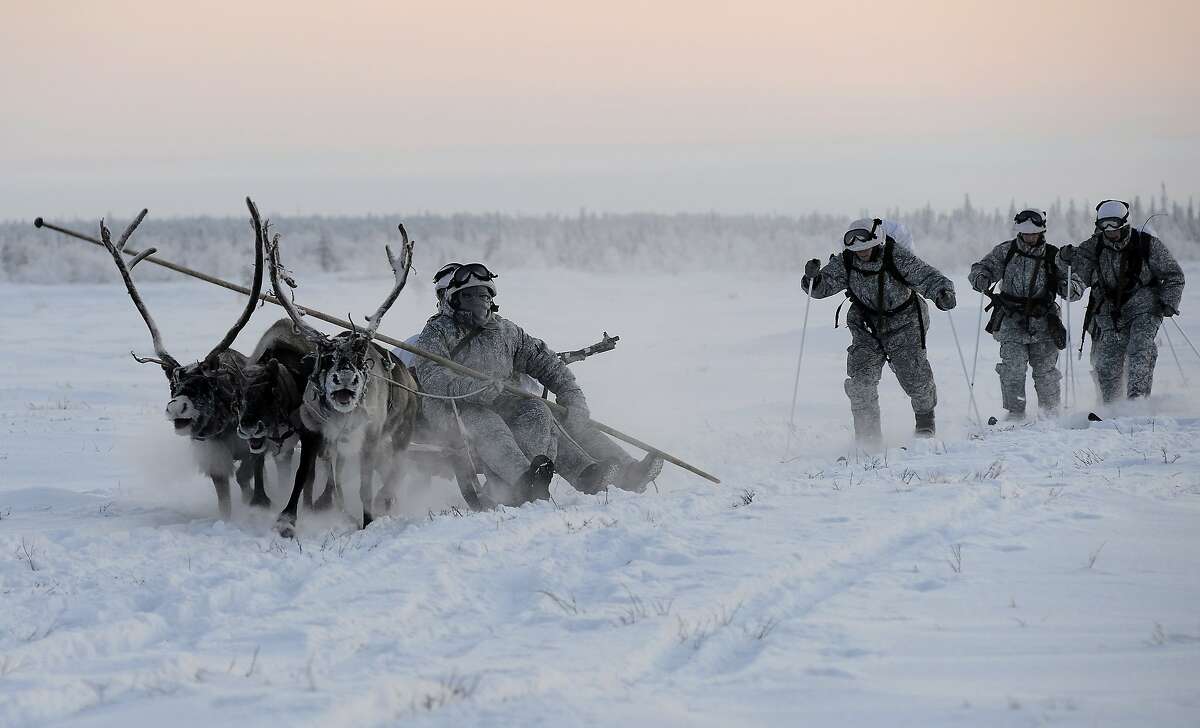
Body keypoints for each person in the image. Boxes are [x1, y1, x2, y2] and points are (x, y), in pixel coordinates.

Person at [413, 263, 660, 505]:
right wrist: (473, 388)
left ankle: (593, 474)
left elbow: (546, 363)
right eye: (468, 296)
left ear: (492, 299)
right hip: (452, 408)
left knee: (540, 410)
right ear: (451, 298)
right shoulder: (436, 332)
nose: (477, 303)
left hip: (501, 401)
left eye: (483, 296)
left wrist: (572, 396)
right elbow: (431, 377)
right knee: (487, 422)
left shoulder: (506, 332)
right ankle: (521, 483)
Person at [802, 218, 956, 445]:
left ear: (877, 241)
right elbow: (822, 288)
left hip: (906, 324)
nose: (861, 252)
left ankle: (925, 425)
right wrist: (812, 279)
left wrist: (943, 293)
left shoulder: (897, 257)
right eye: (856, 248)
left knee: (915, 377)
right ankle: (868, 438)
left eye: (865, 247)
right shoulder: (846, 262)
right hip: (867, 327)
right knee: (861, 381)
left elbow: (927, 277)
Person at [1057, 200, 1185, 403]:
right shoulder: (1094, 246)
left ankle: (1137, 402)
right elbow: (1078, 270)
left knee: (1140, 348)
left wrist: (1169, 300)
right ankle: (1112, 407)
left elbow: (1174, 275)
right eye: (1104, 226)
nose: (1110, 232)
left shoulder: (1147, 244)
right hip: (1110, 313)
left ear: (1125, 224)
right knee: (1107, 361)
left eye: (1114, 226)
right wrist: (1063, 258)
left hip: (1145, 307)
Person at [968, 208, 1084, 419]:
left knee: (1046, 372)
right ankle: (1015, 414)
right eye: (1026, 233)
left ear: (1042, 231)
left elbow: (1076, 286)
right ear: (1019, 231)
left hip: (1045, 323)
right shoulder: (1006, 251)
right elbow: (980, 268)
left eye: (1034, 233)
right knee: (1012, 369)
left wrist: (1068, 286)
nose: (1030, 237)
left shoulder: (1053, 255)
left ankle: (1050, 415)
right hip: (1011, 321)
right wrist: (980, 278)